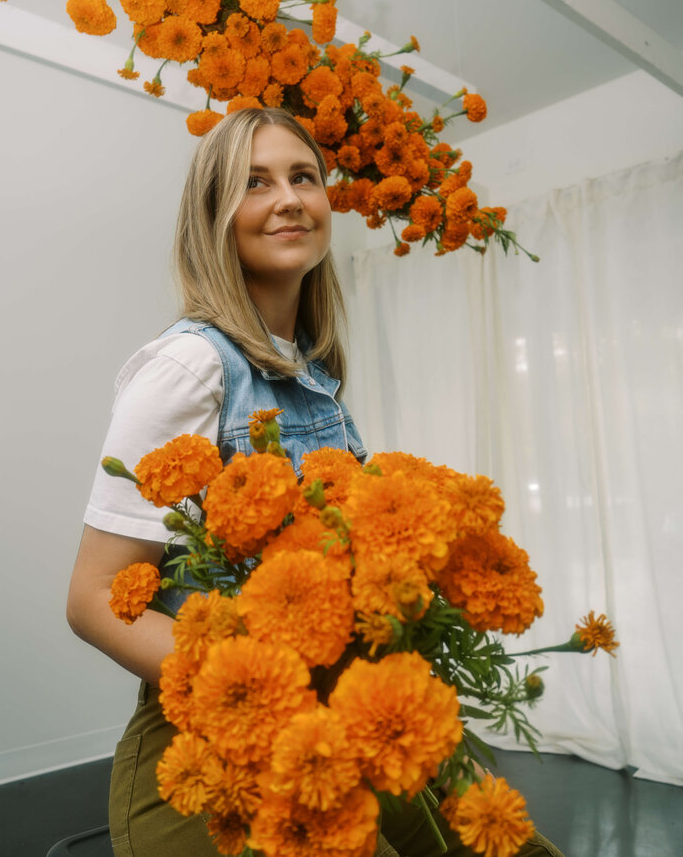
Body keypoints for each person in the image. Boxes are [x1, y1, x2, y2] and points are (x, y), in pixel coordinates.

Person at [66, 107, 564, 857]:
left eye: (304, 177)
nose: (290, 198)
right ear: (216, 217)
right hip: (208, 748)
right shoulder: (190, 367)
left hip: (331, 726)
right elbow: (95, 600)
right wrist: (264, 696)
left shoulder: (315, 373)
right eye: (255, 183)